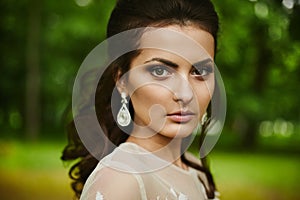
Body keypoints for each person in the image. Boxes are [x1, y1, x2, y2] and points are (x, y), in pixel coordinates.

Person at [62, 0, 224, 199]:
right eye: (160, 71)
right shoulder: (121, 180)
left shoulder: (197, 170)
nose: (186, 94)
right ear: (121, 80)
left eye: (201, 71)